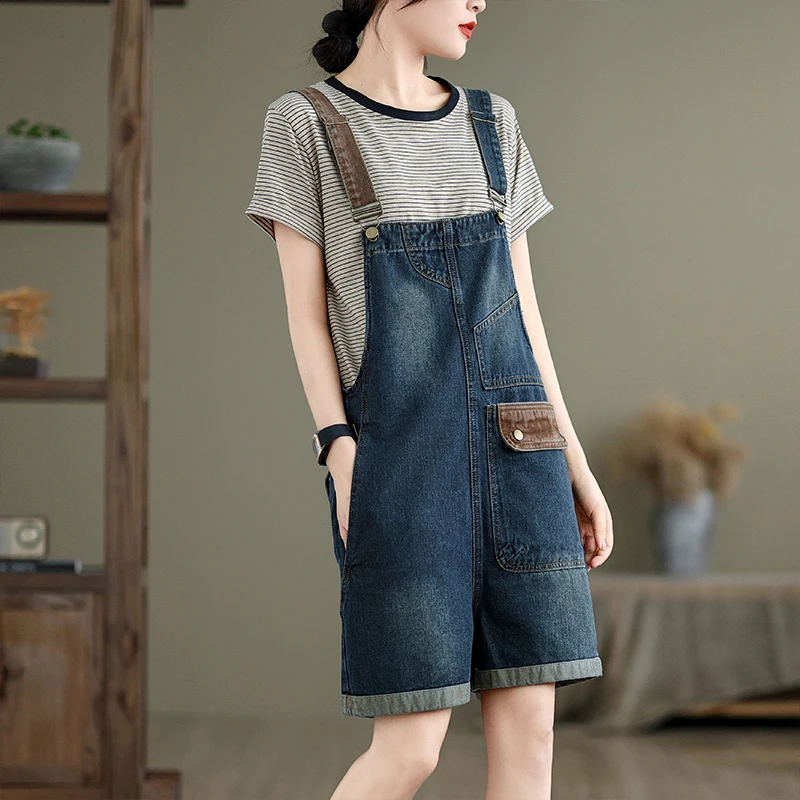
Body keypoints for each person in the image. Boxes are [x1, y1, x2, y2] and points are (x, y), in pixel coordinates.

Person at [245, 1, 614, 798]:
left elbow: (526, 315)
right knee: (410, 750)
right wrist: (338, 447)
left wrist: (575, 464)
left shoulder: (493, 123)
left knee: (533, 737)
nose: (480, 2)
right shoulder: (305, 124)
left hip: (524, 459)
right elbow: (306, 316)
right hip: (400, 466)